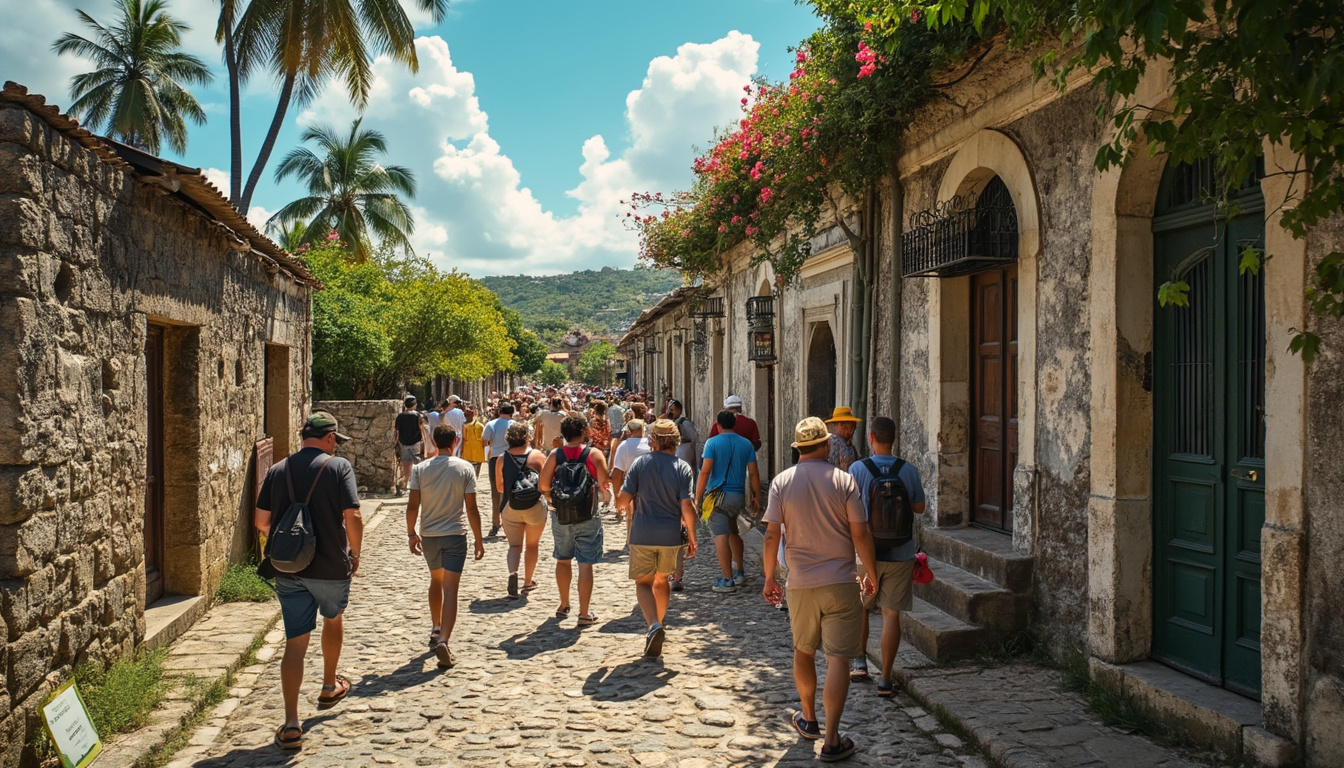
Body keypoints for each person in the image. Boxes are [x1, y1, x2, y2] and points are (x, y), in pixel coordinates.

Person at [762, 417, 878, 764]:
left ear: (798, 448)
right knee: (839, 658)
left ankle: (809, 718)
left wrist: (770, 578)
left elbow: (771, 535)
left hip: (800, 583)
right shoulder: (843, 480)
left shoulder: (782, 482)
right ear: (826, 445)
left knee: (803, 650)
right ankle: (831, 740)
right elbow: (860, 533)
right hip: (841, 581)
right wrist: (871, 573)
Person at [254, 412, 363, 750]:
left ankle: (290, 723)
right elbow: (354, 516)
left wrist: (293, 542)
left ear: (303, 437)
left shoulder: (277, 470)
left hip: (290, 568)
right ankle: (329, 685)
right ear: (330, 438)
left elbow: (261, 521)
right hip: (330, 565)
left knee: (295, 642)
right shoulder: (338, 467)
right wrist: (355, 554)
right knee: (333, 619)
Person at [848, 416, 925, 692]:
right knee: (891, 615)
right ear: (894, 438)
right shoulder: (909, 470)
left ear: (871, 437)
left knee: (861, 609)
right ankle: (885, 679)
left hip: (864, 553)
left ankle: (859, 664)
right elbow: (919, 508)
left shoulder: (857, 469)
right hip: (901, 552)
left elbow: (847, 511)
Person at [406, 424, 485, 670]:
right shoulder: (465, 469)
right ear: (455, 441)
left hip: (429, 535)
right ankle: (444, 640)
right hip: (455, 535)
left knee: (435, 581)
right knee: (451, 589)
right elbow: (471, 508)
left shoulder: (420, 469)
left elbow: (412, 506)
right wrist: (479, 538)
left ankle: (435, 626)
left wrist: (411, 533)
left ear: (433, 440)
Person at [617, 419, 698, 657]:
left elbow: (623, 498)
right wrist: (692, 537)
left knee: (643, 583)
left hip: (642, 533)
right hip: (670, 536)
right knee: (662, 581)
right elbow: (687, 506)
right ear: (676, 441)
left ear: (653, 441)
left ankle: (654, 626)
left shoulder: (640, 464)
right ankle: (659, 625)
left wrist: (621, 506)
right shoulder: (682, 467)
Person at [539, 414, 610, 626]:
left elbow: (543, 485)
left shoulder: (555, 455)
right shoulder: (594, 455)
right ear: (584, 432)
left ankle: (563, 604)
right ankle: (585, 613)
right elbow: (605, 483)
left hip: (561, 515)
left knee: (563, 558)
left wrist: (555, 500)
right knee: (585, 562)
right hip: (587, 514)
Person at [695, 410, 761, 593]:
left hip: (718, 497)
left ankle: (727, 579)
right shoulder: (746, 444)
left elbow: (705, 471)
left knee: (720, 536)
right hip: (738, 496)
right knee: (733, 531)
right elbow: (754, 473)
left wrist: (697, 497)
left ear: (718, 425)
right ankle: (739, 571)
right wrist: (757, 497)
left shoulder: (712, 443)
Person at [497, 422, 548, 597]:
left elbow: (500, 488)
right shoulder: (538, 456)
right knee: (532, 545)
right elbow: (545, 484)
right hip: (534, 505)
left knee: (514, 545)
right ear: (527, 437)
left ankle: (513, 575)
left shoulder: (502, 459)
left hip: (511, 506)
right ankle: (528, 581)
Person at [482, 403, 516, 536]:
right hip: (512, 458)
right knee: (511, 490)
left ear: (499, 411)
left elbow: (484, 440)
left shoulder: (492, 424)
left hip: (495, 458)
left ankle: (495, 522)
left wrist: (489, 451)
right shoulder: (515, 425)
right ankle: (510, 522)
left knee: (495, 491)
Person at [609, 419, 650, 523]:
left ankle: (630, 538)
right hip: (653, 485)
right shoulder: (651, 444)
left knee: (631, 519)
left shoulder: (624, 446)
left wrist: (617, 497)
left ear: (629, 431)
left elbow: (617, 474)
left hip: (633, 486)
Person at [394, 396, 421, 495]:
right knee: (416, 463)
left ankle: (403, 484)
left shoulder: (400, 416)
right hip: (416, 442)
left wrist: (395, 443)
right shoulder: (417, 415)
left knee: (405, 463)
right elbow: (421, 428)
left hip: (403, 443)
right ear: (414, 405)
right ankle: (409, 483)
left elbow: (397, 431)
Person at [825, 407, 862, 471]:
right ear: (841, 425)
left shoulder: (847, 444)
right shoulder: (835, 442)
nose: (855, 428)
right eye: (852, 426)